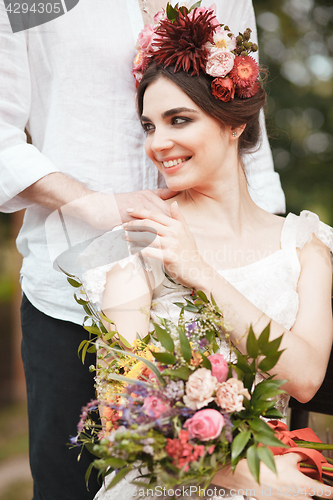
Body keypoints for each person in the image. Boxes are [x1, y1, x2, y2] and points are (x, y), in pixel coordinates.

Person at [0, 1, 284, 499]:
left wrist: (276, 263)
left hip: (215, 294)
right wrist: (95, 204)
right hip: (71, 295)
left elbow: (247, 131)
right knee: (73, 485)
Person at [78, 4, 333, 500]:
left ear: (235, 124)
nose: (160, 142)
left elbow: (303, 378)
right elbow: (122, 417)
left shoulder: (305, 247)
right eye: (150, 125)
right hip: (167, 485)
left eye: (178, 119)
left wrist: (200, 273)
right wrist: (248, 476)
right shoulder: (137, 250)